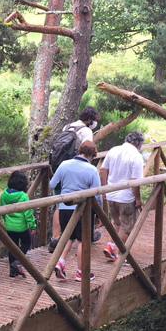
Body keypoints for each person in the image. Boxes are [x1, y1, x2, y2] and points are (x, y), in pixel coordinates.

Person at [48, 140, 102, 280]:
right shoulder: (91, 170)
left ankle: (60, 262)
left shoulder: (64, 164)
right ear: (92, 155)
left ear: (79, 151)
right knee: (83, 241)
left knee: (68, 237)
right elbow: (97, 194)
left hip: (65, 208)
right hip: (82, 210)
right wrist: (99, 214)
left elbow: (52, 183)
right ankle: (81, 272)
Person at [49, 106, 102, 247]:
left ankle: (55, 238)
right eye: (95, 120)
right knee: (80, 204)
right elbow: (87, 149)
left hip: (61, 169)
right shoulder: (86, 131)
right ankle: (84, 236)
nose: (95, 122)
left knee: (60, 205)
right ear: (90, 119)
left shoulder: (68, 126)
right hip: (77, 171)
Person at [99, 130, 145, 258]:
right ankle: (119, 255)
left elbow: (102, 170)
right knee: (127, 227)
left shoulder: (113, 150)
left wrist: (104, 189)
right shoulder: (136, 156)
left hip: (111, 194)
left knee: (116, 222)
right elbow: (135, 181)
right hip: (126, 197)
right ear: (139, 143)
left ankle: (110, 245)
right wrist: (138, 199)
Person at [0, 170, 35, 278]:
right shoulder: (23, 196)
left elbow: (2, 210)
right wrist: (32, 225)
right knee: (26, 243)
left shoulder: (4, 195)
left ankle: (12, 271)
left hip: (10, 226)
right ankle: (17, 261)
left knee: (12, 247)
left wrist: (6, 220)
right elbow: (28, 213)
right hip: (22, 227)